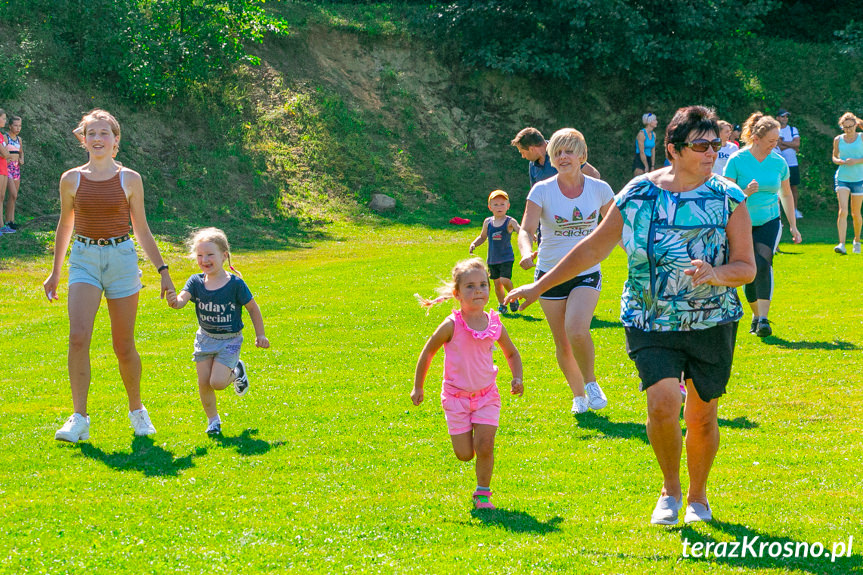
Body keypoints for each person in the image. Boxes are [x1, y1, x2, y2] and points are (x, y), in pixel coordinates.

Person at [506, 105, 756, 526]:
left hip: (711, 320)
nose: (712, 152)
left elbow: (746, 266)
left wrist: (716, 274)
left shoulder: (729, 197)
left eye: (716, 144)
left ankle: (698, 496)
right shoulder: (638, 192)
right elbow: (591, 249)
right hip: (649, 317)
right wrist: (537, 286)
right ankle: (670, 491)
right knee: (661, 405)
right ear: (674, 150)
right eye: (701, 145)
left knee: (701, 415)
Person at [44, 109, 176, 443]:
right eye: (92, 133)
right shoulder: (70, 179)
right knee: (78, 337)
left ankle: (137, 411)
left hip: (121, 258)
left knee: (123, 344)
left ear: (116, 141)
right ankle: (79, 418)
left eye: (105, 133)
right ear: (83, 140)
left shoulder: (130, 179)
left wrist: (163, 271)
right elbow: (66, 225)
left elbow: (142, 229)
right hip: (84, 258)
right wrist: (55, 272)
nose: (98, 139)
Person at [412, 258, 523, 510]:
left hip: (487, 396)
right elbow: (428, 352)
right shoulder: (451, 326)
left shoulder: (494, 323)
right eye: (470, 286)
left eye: (483, 285)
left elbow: (512, 354)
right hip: (456, 398)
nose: (479, 291)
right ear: (457, 293)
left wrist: (517, 377)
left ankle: (482, 494)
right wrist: (418, 387)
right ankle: (469, 438)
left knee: (485, 445)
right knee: (465, 454)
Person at [516, 128, 614, 415]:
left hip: (586, 272)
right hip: (547, 274)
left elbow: (617, 227)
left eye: (569, 151)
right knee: (562, 341)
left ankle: (592, 383)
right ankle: (579, 396)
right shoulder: (542, 190)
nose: (562, 156)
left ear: (582, 156)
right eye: (557, 152)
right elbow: (526, 229)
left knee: (577, 328)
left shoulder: (600, 189)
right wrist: (525, 252)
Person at [166, 227, 270, 435]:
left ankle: (237, 371)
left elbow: (252, 308)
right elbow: (181, 300)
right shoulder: (195, 282)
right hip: (204, 340)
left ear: (224, 256)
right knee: (204, 383)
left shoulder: (235, 285)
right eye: (200, 255)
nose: (204, 260)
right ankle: (213, 422)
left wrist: (260, 334)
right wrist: (174, 301)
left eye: (210, 254)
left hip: (229, 341)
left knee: (218, 382)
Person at [724, 112, 802, 337]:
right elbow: (726, 195)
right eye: (770, 141)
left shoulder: (779, 162)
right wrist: (745, 192)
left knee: (762, 262)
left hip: (770, 220)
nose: (774, 145)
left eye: (777, 141)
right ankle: (755, 315)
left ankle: (764, 319)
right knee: (749, 267)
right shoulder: (736, 160)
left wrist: (793, 225)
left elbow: (786, 194)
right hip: (741, 222)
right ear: (756, 138)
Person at [511, 127, 601, 249]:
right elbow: (536, 198)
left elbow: (594, 174)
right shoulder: (533, 165)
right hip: (548, 226)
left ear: (531, 149)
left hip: (572, 222)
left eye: (522, 152)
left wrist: (582, 200)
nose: (523, 156)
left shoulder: (561, 154)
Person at [469, 190, 522, 314]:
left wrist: (531, 236)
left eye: (502, 204)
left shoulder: (510, 221)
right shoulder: (488, 222)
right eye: (496, 204)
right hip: (493, 259)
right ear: (490, 207)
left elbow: (520, 230)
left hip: (506, 257)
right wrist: (474, 244)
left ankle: (513, 297)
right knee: (497, 284)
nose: (499, 207)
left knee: (505, 280)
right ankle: (502, 305)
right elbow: (482, 237)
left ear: (508, 206)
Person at [831, 112, 863, 255]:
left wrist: (855, 161)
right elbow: (834, 155)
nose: (848, 130)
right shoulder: (838, 139)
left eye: (850, 126)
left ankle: (856, 240)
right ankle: (841, 244)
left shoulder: (861, 137)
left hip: (859, 179)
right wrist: (838, 161)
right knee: (842, 210)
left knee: (855, 213)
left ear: (856, 125)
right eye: (845, 127)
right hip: (842, 178)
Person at [774, 109, 802, 219]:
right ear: (777, 118)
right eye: (782, 116)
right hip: (779, 164)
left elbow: (797, 144)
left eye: (786, 117)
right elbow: (777, 146)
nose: (785, 119)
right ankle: (778, 211)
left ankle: (794, 210)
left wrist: (784, 143)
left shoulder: (792, 129)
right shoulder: (775, 130)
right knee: (777, 187)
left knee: (793, 187)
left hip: (792, 163)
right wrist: (791, 145)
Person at [4, 115, 23, 231]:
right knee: (13, 194)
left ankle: (11, 221)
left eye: (19, 126)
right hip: (8, 168)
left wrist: (22, 159)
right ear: (10, 125)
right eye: (15, 125)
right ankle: (7, 221)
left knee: (13, 197)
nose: (17, 128)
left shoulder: (19, 139)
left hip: (16, 168)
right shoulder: (5, 138)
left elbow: (21, 152)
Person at [0, 110, 12, 236]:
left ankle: (1, 226)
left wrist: (6, 154)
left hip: (3, 168)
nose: (5, 120)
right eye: (3, 118)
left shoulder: (1, 135)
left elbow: (5, 153)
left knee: (1, 197)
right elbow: (5, 153)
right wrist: (7, 154)